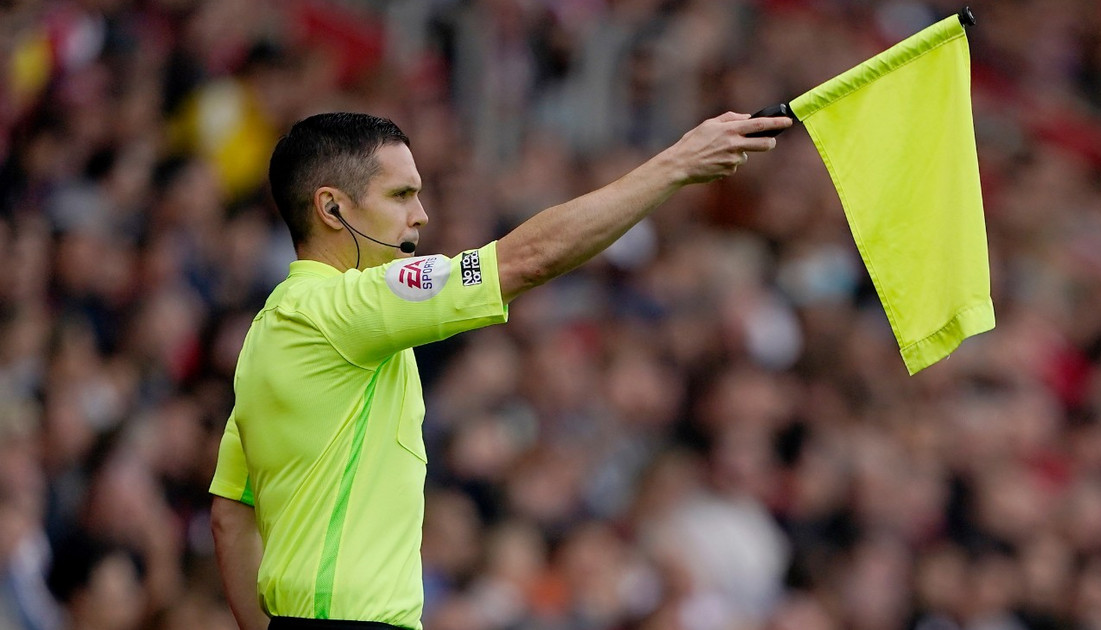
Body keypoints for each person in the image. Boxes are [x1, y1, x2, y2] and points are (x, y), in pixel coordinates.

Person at [208, 110, 791, 630]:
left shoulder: (267, 335)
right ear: (333, 208)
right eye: (400, 195)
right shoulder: (344, 308)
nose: (421, 215)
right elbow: (525, 260)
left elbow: (231, 516)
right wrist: (676, 165)